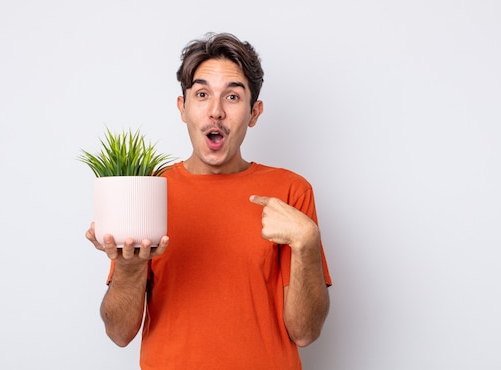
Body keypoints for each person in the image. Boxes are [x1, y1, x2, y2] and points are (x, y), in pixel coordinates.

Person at [85, 32, 331, 369]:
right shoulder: (149, 190)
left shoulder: (290, 191)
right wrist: (129, 267)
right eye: (202, 94)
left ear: (254, 113)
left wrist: (307, 244)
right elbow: (119, 333)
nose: (215, 111)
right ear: (182, 108)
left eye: (232, 97)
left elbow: (305, 332)